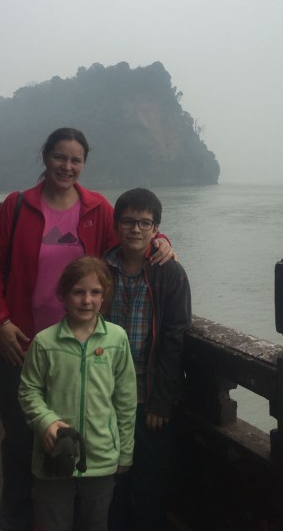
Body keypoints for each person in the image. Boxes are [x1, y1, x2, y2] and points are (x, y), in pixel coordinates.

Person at [0, 127, 174, 531]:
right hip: (21, 343)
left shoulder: (97, 209)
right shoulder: (18, 206)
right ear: (45, 157)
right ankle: (17, 522)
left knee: (69, 439)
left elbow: (132, 237)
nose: (67, 166)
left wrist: (162, 241)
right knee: (20, 442)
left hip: (81, 347)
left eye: (76, 160)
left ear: (84, 164)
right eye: (60, 157)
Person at [18, 256, 137, 531]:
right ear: (63, 295)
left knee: (95, 523)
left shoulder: (117, 339)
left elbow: (125, 400)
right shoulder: (45, 342)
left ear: (104, 297)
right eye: (78, 292)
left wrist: (125, 452)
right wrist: (46, 421)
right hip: (54, 455)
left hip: (102, 456)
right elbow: (28, 390)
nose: (87, 300)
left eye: (95, 292)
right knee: (52, 522)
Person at [105, 188, 192, 531]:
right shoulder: (102, 269)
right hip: (106, 395)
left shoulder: (170, 274)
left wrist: (161, 400)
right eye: (128, 221)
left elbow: (174, 338)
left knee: (150, 481)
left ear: (156, 229)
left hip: (148, 395)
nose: (136, 229)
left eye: (145, 223)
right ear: (117, 225)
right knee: (110, 480)